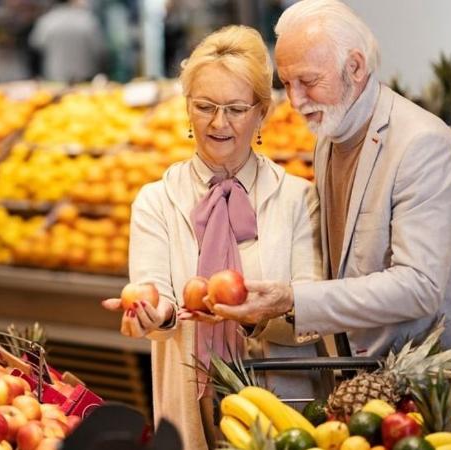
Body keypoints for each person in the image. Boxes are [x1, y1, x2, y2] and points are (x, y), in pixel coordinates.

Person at [207, 0, 451, 439]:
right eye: (286, 84)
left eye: (308, 82)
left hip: (447, 395)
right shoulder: (330, 138)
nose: (296, 101)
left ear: (355, 67)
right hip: (376, 392)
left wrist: (292, 298)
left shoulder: (421, 145)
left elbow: (418, 287)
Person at [103, 25, 326, 449]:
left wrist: (258, 313)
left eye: (236, 109)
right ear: (187, 108)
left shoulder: (298, 198)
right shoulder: (156, 201)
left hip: (285, 402)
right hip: (193, 400)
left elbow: (313, 309)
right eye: (205, 106)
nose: (219, 123)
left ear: (262, 112)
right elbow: (159, 297)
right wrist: (155, 315)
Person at [29, 0, 106, 83]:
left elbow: (35, 46)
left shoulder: (47, 20)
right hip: (84, 80)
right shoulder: (87, 20)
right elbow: (100, 50)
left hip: (54, 79)